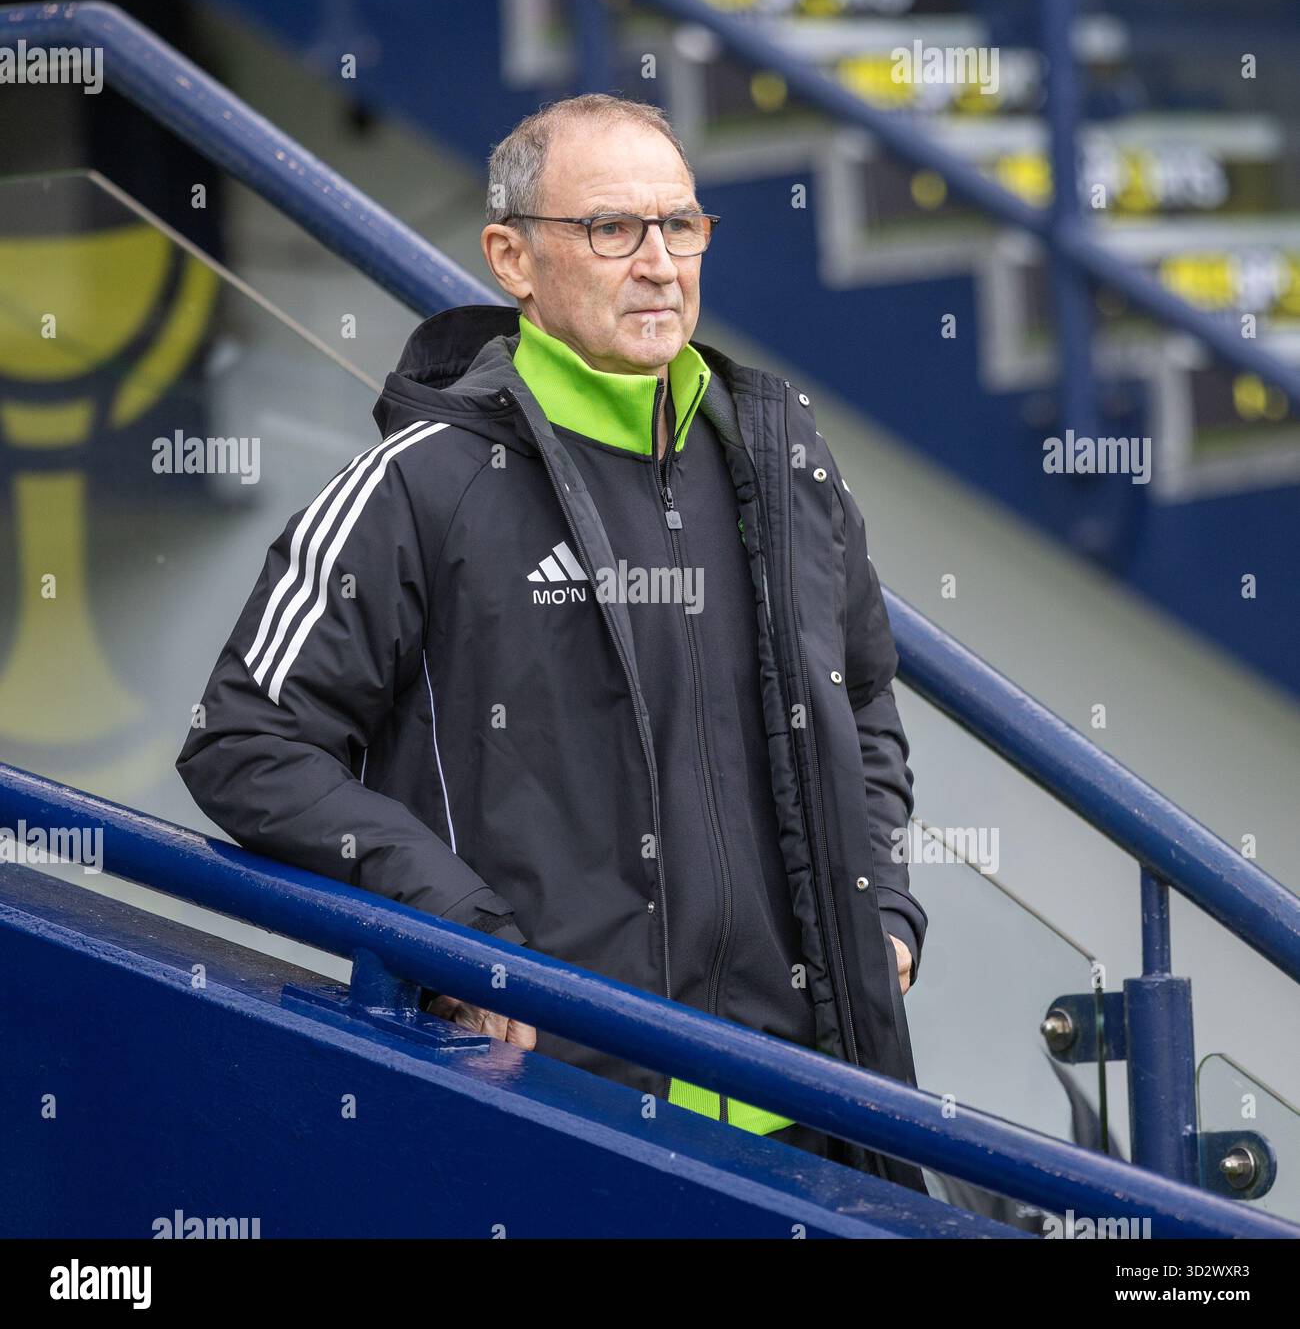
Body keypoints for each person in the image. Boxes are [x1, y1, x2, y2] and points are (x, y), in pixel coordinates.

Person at [177, 93, 929, 1193]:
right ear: (512, 258)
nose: (661, 263)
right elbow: (243, 738)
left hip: (808, 1118)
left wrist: (890, 914)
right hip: (552, 1107)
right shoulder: (420, 482)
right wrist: (453, 926)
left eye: (682, 225)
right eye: (612, 229)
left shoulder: (785, 462)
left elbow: (860, 706)